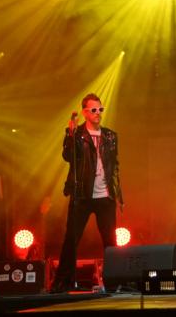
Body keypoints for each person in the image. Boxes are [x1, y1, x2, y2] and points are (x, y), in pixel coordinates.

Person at [51, 93, 123, 292]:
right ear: (85, 112)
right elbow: (67, 156)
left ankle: (114, 282)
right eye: (93, 110)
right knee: (71, 239)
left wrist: (116, 193)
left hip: (105, 196)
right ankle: (62, 282)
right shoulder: (77, 135)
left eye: (100, 109)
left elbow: (113, 165)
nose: (98, 113)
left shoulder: (110, 136)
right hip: (82, 195)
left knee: (110, 242)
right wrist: (70, 135)